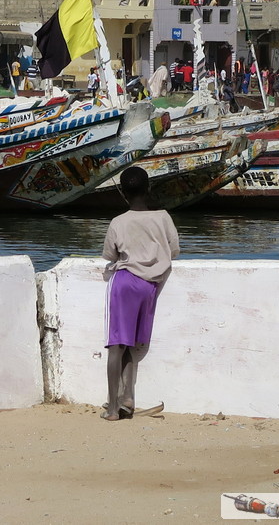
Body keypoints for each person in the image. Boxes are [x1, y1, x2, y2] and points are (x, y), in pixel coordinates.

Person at [100, 166, 180, 421]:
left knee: (116, 345)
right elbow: (174, 250)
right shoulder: (163, 217)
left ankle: (113, 410)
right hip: (150, 286)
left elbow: (110, 256)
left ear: (123, 193)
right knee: (131, 345)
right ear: (148, 189)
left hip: (124, 283)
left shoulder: (118, 222)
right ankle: (127, 398)